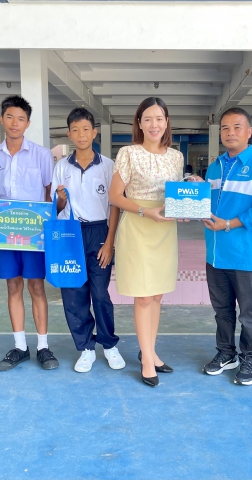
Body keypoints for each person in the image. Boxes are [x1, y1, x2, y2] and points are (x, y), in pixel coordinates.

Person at [0, 95, 58, 371]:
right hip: (4, 233)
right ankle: (20, 347)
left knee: (36, 286)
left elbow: (49, 193)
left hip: (35, 234)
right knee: (13, 286)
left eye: (21, 118)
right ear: (2, 119)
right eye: (10, 117)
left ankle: (43, 347)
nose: (15, 123)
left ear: (28, 123)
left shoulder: (42, 155)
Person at [108, 97, 183, 387]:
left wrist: (186, 202)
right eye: (148, 119)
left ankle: (149, 351)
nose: (154, 124)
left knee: (157, 294)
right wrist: (144, 211)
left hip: (164, 228)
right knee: (143, 295)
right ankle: (147, 361)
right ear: (139, 123)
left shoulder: (176, 157)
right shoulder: (128, 153)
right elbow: (115, 196)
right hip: (138, 225)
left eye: (159, 118)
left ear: (167, 122)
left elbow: (176, 194)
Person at [201, 107, 252, 386]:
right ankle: (226, 353)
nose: (230, 133)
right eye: (225, 128)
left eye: (236, 127)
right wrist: (194, 193)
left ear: (249, 132)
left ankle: (249, 358)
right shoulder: (214, 167)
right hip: (215, 254)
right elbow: (205, 203)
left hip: (244, 254)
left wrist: (228, 224)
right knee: (222, 310)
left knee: (247, 312)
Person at [51, 107, 125, 373]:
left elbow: (115, 205)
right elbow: (56, 208)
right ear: (69, 134)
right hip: (69, 234)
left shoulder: (108, 166)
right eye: (75, 130)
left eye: (85, 129)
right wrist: (61, 198)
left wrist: (109, 241)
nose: (81, 134)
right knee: (73, 294)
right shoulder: (61, 167)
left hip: (99, 232)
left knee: (100, 294)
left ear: (94, 133)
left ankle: (109, 344)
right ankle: (85, 347)